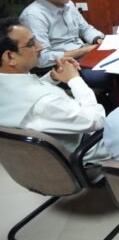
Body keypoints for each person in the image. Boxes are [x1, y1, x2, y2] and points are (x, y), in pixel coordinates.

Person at [0, 17, 105, 158]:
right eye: (31, 44)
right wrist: (75, 79)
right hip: (89, 149)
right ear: (10, 57)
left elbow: (24, 91)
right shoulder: (46, 102)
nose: (40, 47)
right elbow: (96, 120)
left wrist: (52, 77)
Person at [19, 0, 111, 94]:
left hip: (83, 55)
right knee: (109, 76)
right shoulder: (33, 16)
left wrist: (98, 39)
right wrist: (85, 50)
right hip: (58, 66)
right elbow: (42, 59)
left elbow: (85, 29)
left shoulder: (68, 4)